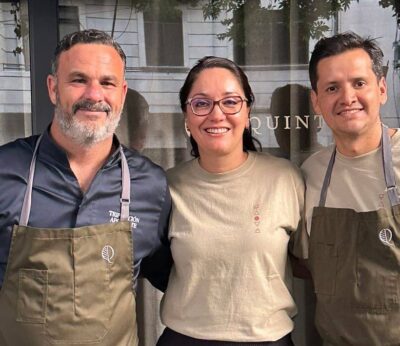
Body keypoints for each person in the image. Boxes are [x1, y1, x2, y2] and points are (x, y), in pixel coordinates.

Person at [0, 29, 171, 345]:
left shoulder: (151, 185)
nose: (94, 94)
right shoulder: (5, 171)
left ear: (121, 92)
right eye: (78, 80)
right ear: (53, 89)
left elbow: (173, 276)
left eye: (107, 83)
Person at [157, 56, 304, 345]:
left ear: (247, 111)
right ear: (186, 116)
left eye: (230, 102)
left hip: (268, 339)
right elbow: (155, 265)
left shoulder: (285, 178)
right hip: (185, 338)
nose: (216, 114)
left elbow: (308, 261)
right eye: (201, 103)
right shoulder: (166, 186)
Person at [297, 31, 400, 345]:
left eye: (359, 83)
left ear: (381, 89)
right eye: (332, 88)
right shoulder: (310, 174)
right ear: (316, 101)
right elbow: (303, 265)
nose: (347, 97)